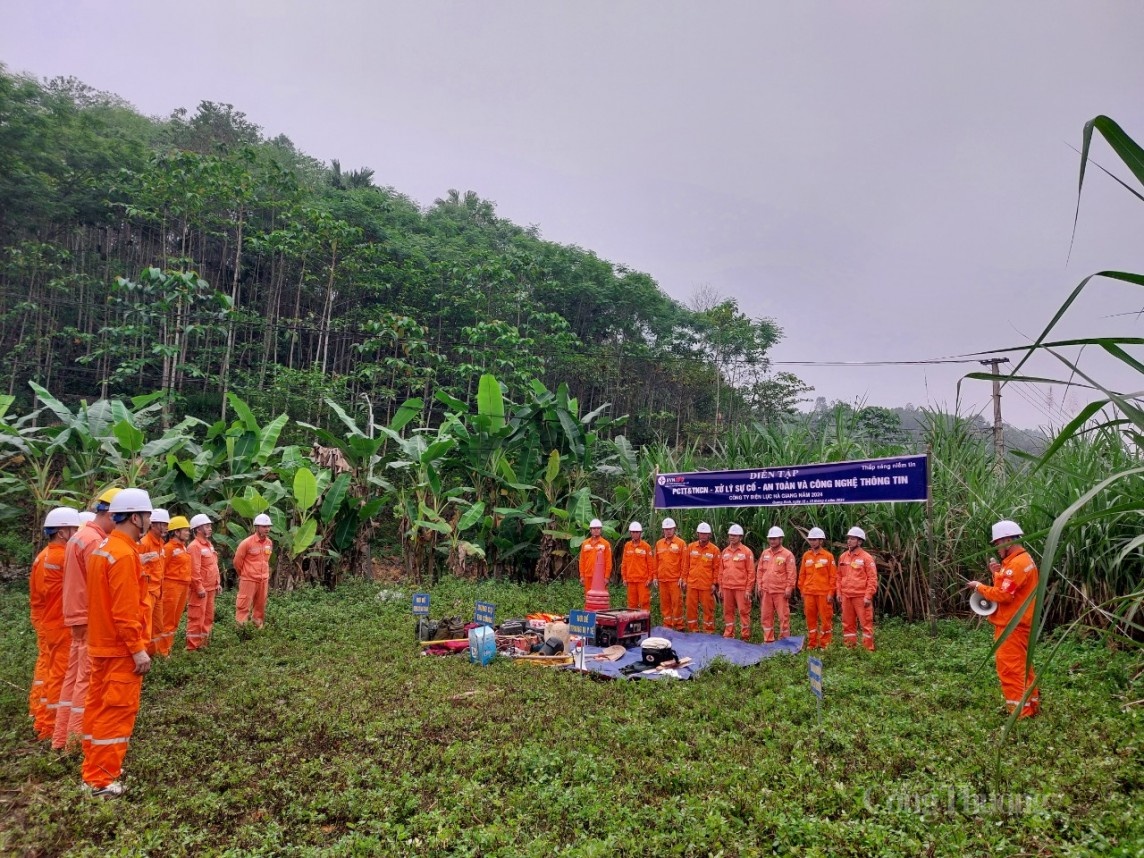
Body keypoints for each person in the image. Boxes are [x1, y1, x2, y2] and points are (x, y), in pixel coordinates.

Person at [82, 488, 153, 797]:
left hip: (101, 645)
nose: (149, 521)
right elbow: (125, 611)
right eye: (147, 516)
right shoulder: (124, 555)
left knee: (98, 709)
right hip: (119, 649)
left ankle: (93, 772)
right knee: (116, 713)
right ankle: (101, 781)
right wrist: (137, 649)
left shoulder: (104, 548)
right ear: (136, 517)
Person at [52, 488, 120, 751]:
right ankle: (75, 740)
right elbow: (101, 585)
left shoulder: (80, 536)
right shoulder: (94, 541)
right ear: (113, 514)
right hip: (88, 617)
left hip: (77, 615)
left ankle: (61, 738)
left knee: (73, 678)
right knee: (86, 680)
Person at [966, 520, 1041, 719]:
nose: (997, 550)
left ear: (1007, 540)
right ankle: (1031, 706)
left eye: (998, 544)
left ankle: (1020, 713)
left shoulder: (1016, 564)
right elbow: (1012, 589)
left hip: (1011, 626)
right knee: (1024, 666)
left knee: (1010, 669)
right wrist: (997, 574)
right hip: (1021, 623)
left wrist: (978, 587)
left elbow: (1004, 596)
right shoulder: (1023, 560)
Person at [29, 507, 80, 740]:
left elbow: (41, 594)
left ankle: (41, 718)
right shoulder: (63, 557)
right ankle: (48, 727)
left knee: (50, 673)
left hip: (49, 622)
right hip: (60, 624)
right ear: (62, 532)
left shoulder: (43, 556)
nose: (76, 533)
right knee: (58, 677)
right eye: (73, 529)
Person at [837, 526, 878, 651]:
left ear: (859, 541)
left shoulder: (866, 558)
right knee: (847, 624)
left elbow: (872, 579)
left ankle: (868, 650)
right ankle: (850, 648)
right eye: (848, 538)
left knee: (866, 623)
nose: (849, 541)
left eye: (852, 538)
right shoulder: (843, 557)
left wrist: (868, 596)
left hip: (861, 597)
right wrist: (839, 592)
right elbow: (838, 576)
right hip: (846, 596)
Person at [156, 516, 193, 656]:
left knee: (175, 620)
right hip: (171, 587)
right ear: (176, 532)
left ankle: (167, 648)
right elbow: (161, 569)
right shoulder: (169, 548)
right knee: (167, 620)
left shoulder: (183, 548)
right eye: (185, 530)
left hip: (183, 586)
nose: (188, 533)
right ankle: (162, 652)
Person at [756, 526, 797, 643]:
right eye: (770, 539)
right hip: (766, 591)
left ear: (781, 539)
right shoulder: (765, 553)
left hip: (780, 592)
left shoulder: (787, 555)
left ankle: (785, 640)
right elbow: (760, 570)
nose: (772, 541)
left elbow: (791, 573)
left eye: (775, 539)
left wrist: (789, 588)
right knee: (766, 616)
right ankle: (768, 639)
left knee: (783, 617)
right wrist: (759, 585)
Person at [798, 527, 837, 650]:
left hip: (823, 593)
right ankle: (812, 643)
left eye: (815, 540)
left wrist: (831, 592)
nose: (812, 542)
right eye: (810, 540)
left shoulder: (828, 556)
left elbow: (833, 576)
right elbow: (802, 574)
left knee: (826, 619)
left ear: (821, 541)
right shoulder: (806, 556)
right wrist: (802, 589)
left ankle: (825, 644)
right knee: (810, 619)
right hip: (809, 593)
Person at [186, 513, 220, 651]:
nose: (210, 528)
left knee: (208, 617)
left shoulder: (209, 545)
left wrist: (217, 582)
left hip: (210, 588)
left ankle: (203, 644)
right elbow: (194, 570)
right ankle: (192, 647)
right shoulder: (194, 547)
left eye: (210, 526)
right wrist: (199, 587)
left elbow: (213, 565)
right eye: (207, 526)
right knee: (196, 618)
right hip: (200, 590)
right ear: (198, 529)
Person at [234, 512, 274, 628]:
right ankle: (241, 629)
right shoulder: (246, 543)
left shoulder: (269, 543)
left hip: (263, 580)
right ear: (257, 527)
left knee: (260, 606)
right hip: (248, 580)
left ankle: (258, 628)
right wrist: (245, 574)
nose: (267, 529)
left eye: (268, 526)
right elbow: (237, 562)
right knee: (243, 605)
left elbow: (266, 560)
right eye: (264, 526)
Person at [139, 508, 168, 656]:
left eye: (166, 525)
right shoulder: (144, 543)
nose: (166, 528)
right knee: (146, 626)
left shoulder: (161, 544)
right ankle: (144, 654)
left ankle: (156, 655)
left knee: (158, 626)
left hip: (159, 591)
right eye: (163, 525)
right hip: (148, 591)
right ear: (153, 525)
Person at [683, 522, 721, 634]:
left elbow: (717, 569)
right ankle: (692, 629)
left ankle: (708, 631)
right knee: (690, 607)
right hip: (692, 584)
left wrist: (714, 583)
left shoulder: (714, 550)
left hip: (706, 585)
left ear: (709, 535)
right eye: (701, 533)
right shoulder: (691, 547)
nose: (703, 536)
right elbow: (686, 565)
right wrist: (684, 579)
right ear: (697, 534)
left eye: (705, 534)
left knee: (708, 609)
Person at [719, 524, 755, 640]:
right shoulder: (725, 552)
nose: (732, 537)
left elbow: (751, 572)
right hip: (727, 587)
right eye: (730, 535)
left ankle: (745, 635)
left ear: (741, 537)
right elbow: (721, 571)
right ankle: (729, 633)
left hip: (741, 588)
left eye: (735, 535)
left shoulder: (746, 552)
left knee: (743, 611)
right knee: (727, 611)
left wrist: (749, 589)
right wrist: (720, 587)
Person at [654, 517, 686, 631]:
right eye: (666, 529)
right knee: (665, 604)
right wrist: (655, 577)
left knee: (677, 604)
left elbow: (684, 562)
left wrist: (682, 577)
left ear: (674, 529)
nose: (668, 531)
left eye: (670, 529)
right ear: (663, 530)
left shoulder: (681, 543)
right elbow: (656, 561)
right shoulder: (659, 544)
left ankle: (679, 626)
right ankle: (667, 625)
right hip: (662, 579)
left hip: (675, 580)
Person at [620, 522, 654, 612]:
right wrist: (624, 578)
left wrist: (650, 578)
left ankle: (645, 622)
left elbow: (651, 564)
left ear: (640, 533)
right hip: (630, 580)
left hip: (643, 581)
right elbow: (624, 563)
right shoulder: (627, 546)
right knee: (631, 604)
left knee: (644, 602)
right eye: (633, 532)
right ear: (630, 533)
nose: (635, 534)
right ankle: (632, 623)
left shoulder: (646, 547)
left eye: (637, 532)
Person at [578, 518, 613, 596]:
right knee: (589, 597)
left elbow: (608, 561)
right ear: (590, 530)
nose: (596, 530)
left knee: (600, 597)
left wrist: (606, 577)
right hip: (588, 576)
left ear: (600, 530)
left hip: (601, 576)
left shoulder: (605, 544)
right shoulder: (585, 543)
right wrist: (582, 575)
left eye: (598, 528)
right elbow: (582, 561)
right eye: (594, 528)